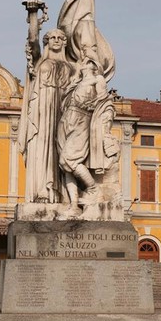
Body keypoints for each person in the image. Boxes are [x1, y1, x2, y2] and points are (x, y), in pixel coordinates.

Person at [17, 0, 76, 203]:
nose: (57, 40)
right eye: (52, 38)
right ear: (47, 42)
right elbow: (32, 41)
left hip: (64, 113)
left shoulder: (72, 68)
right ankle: (43, 190)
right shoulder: (40, 62)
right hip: (42, 114)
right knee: (43, 150)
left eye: (61, 38)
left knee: (64, 152)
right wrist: (33, 14)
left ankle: (64, 195)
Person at [56, 58, 113, 214]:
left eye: (86, 61)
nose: (82, 63)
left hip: (82, 120)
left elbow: (104, 102)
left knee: (68, 159)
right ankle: (74, 205)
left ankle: (93, 189)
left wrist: (105, 127)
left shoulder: (98, 79)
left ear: (93, 65)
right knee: (65, 167)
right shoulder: (76, 83)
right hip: (67, 119)